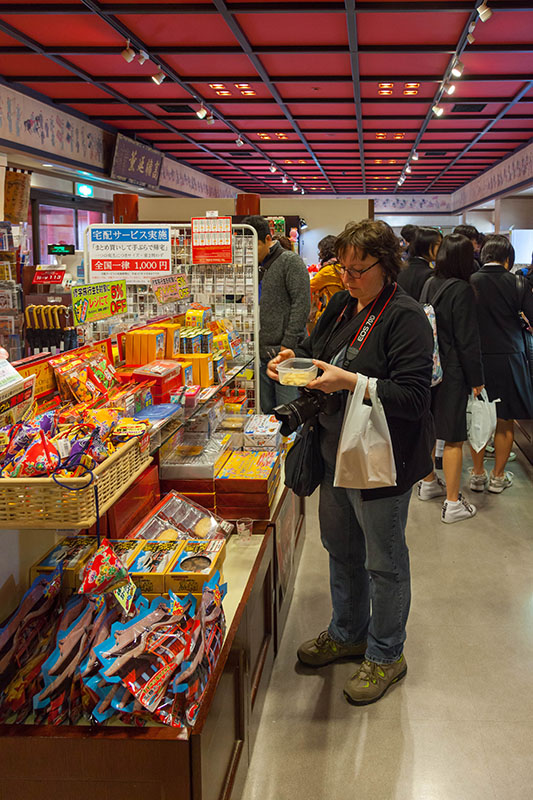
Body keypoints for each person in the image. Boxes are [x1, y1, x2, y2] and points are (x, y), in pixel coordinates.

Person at [267, 219, 434, 705]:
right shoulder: (341, 304)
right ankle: (347, 632)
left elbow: (414, 397)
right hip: (333, 450)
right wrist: (291, 360)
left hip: (381, 460)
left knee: (383, 561)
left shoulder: (405, 317)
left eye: (359, 269)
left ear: (386, 266)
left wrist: (352, 382)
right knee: (340, 549)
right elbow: (319, 358)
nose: (348, 278)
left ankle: (386, 654)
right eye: (343, 268)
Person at [417, 234, 484, 522]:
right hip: (454, 371)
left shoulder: (429, 283)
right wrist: (477, 378)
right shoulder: (462, 290)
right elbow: (467, 340)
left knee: (430, 428)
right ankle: (453, 504)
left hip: (428, 369)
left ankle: (428, 483)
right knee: (454, 437)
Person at [469, 235, 533, 492]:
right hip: (510, 357)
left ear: (484, 255)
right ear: (508, 258)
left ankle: (476, 474)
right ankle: (498, 477)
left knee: (478, 417)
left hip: (478, 357)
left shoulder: (469, 281)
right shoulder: (518, 282)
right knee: (505, 419)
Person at [242, 215, 310, 414]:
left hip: (286, 353)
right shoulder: (249, 267)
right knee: (266, 412)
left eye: (253, 245)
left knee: (288, 410)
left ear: (268, 240)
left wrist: (288, 344)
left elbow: (301, 305)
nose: (249, 251)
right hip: (259, 352)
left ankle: (293, 446)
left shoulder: (290, 261)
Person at [308, 234, 344, 332]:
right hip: (339, 314)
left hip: (328, 316)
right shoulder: (339, 266)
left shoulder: (328, 270)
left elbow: (308, 286)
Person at [397, 226, 442, 301]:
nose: (441, 248)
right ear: (426, 245)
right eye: (438, 244)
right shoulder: (429, 274)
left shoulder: (402, 268)